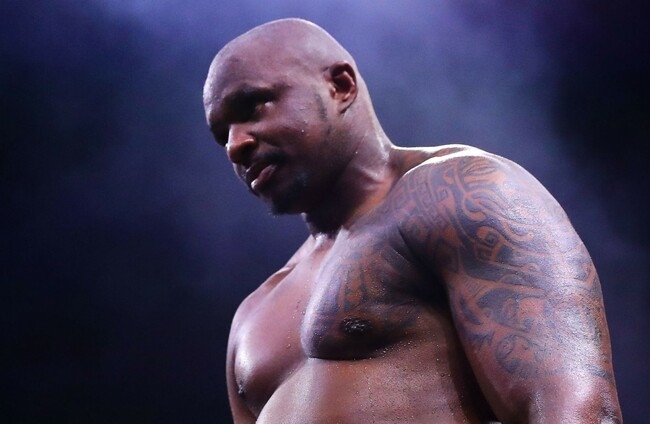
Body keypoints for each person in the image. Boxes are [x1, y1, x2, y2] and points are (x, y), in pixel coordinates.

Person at [202, 18, 622, 423]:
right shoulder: (252, 315)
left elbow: (576, 410)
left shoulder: (460, 191)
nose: (235, 145)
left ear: (340, 87)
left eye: (253, 106)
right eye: (222, 136)